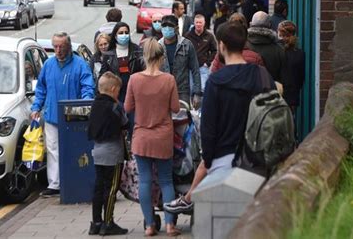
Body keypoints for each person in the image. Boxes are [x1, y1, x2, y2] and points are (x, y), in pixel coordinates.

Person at [164, 22, 275, 214]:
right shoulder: (261, 75)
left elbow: (208, 127)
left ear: (221, 46)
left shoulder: (217, 81)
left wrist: (207, 161)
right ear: (244, 43)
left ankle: (189, 199)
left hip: (224, 159)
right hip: (258, 158)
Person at [124, 38, 181, 237]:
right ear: (161, 57)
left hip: (141, 136)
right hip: (163, 136)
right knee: (166, 181)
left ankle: (149, 225)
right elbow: (176, 108)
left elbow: (127, 108)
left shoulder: (134, 79)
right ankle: (169, 225)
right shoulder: (168, 79)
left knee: (145, 181)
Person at [31, 33, 95, 197]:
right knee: (53, 150)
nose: (58, 50)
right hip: (53, 115)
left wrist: (85, 105)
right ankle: (55, 184)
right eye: (55, 47)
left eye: (62, 47)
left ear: (69, 47)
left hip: (73, 117)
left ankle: (75, 180)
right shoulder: (48, 64)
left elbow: (87, 88)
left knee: (74, 149)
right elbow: (41, 89)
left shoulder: (80, 65)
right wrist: (36, 107)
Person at [87, 72, 129, 236]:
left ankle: (95, 222)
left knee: (98, 187)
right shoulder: (115, 106)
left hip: (97, 151)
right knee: (111, 188)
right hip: (113, 153)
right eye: (118, 90)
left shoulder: (94, 105)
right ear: (113, 90)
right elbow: (125, 123)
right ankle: (108, 222)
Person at [158, 15, 201, 108]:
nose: (166, 29)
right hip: (162, 91)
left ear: (176, 28)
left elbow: (195, 69)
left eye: (169, 26)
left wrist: (197, 93)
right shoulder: (158, 46)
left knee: (182, 119)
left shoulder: (187, 45)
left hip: (182, 91)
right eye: (164, 26)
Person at [100, 22, 143, 103]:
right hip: (116, 94)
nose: (124, 35)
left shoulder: (137, 51)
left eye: (126, 33)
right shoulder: (108, 55)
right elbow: (103, 75)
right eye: (121, 33)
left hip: (134, 94)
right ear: (115, 36)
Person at [247, 11, 286, 83]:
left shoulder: (242, 47)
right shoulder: (279, 51)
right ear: (270, 25)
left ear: (250, 24)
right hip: (271, 91)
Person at [185, 13, 217, 92]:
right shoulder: (187, 36)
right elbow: (183, 49)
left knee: (202, 89)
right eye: (197, 22)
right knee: (192, 89)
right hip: (191, 67)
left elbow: (214, 50)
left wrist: (208, 63)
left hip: (203, 67)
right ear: (194, 23)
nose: (198, 24)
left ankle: (202, 104)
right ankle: (191, 104)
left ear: (204, 23)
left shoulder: (209, 36)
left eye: (200, 22)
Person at [278, 21, 305, 113]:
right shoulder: (300, 54)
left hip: (278, 93)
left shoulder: (278, 52)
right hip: (293, 94)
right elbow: (301, 78)